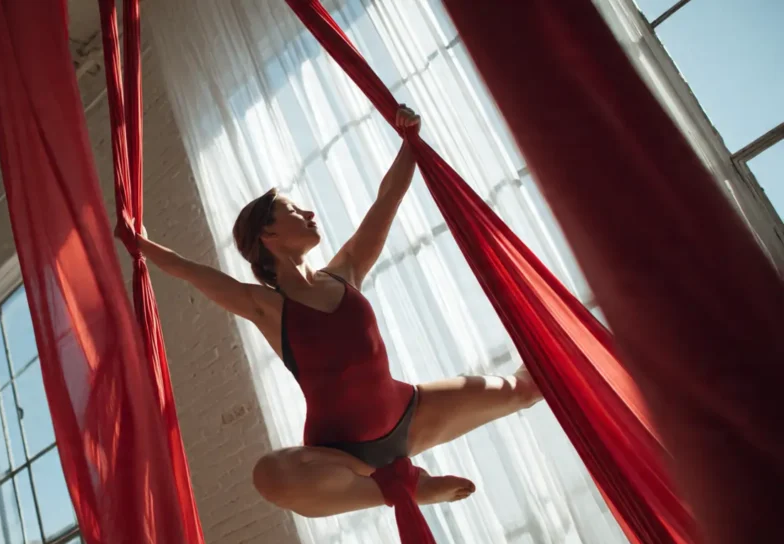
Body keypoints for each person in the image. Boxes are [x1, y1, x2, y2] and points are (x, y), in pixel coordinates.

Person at [119, 106, 540, 518]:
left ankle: (585, 343)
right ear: (269, 234)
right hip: (340, 458)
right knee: (270, 475)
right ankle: (404, 488)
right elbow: (191, 272)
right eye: (294, 211)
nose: (309, 213)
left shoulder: (346, 270)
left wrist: (410, 139)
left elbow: (387, 200)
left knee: (529, 388)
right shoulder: (265, 307)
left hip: (409, 414)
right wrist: (142, 244)